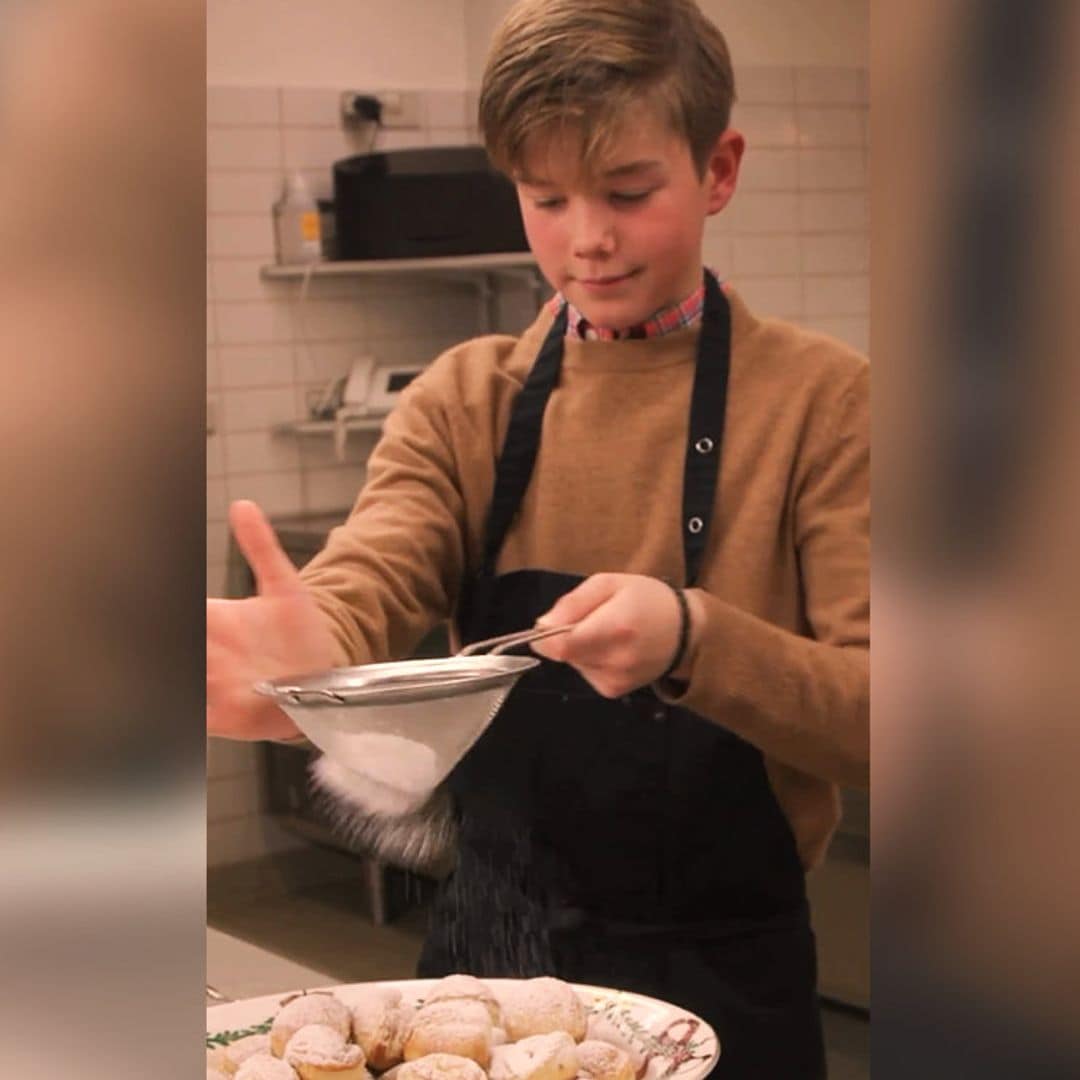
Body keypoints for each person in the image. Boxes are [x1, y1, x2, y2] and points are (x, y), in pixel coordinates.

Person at [207, 0, 869, 1075]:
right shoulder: (467, 399)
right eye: (546, 198)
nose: (587, 239)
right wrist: (310, 661)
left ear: (719, 168)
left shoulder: (824, 406)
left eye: (628, 192)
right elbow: (374, 569)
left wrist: (695, 639)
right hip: (494, 969)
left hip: (724, 965)